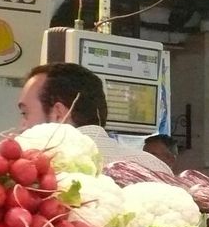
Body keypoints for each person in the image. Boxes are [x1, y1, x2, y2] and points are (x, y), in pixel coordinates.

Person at [17, 63, 173, 174]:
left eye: (25, 113)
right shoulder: (153, 166)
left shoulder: (42, 174)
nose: (22, 126)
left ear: (59, 113)